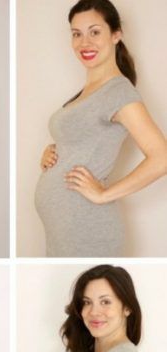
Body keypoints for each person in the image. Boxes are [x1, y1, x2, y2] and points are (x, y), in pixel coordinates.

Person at [34, 0, 167, 257]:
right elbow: (85, 139)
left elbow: (162, 157)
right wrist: (54, 151)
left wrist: (104, 195)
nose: (84, 43)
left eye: (95, 32)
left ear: (116, 35)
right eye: (76, 34)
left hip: (87, 227)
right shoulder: (87, 92)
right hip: (65, 229)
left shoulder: (118, 92)